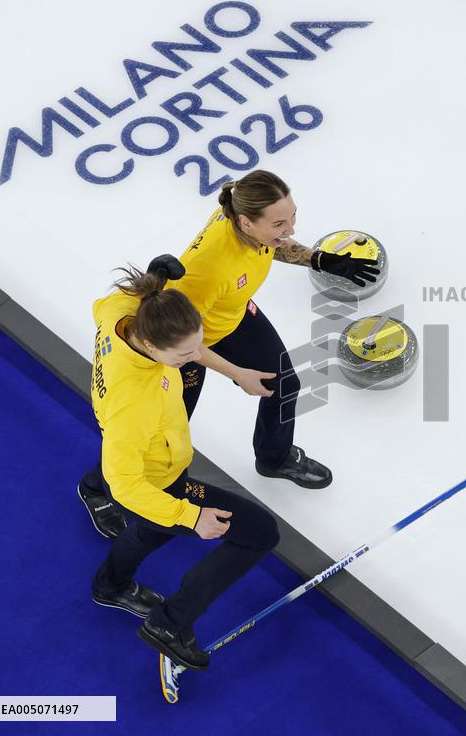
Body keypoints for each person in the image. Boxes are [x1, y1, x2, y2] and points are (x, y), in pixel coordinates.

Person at [77, 170, 378, 538]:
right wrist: (236, 372)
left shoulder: (246, 222)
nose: (291, 228)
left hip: (229, 315)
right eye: (280, 222)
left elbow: (273, 244)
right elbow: (182, 339)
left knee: (284, 384)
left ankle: (274, 458)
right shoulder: (209, 268)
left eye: (292, 216)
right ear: (245, 223)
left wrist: (320, 260)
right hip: (187, 347)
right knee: (153, 436)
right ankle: (96, 489)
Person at [86, 261, 280, 670]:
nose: (195, 358)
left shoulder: (122, 312)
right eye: (185, 354)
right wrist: (190, 516)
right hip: (157, 482)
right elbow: (123, 484)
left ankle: (110, 585)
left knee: (147, 531)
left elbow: (107, 304)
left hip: (162, 457)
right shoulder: (133, 400)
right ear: (153, 349)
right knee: (260, 532)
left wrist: (236, 372)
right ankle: (170, 624)